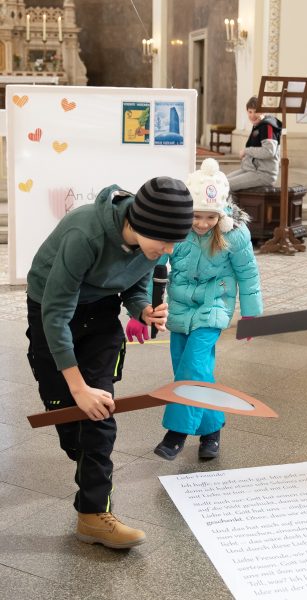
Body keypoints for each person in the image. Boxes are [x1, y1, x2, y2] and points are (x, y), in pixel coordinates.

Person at [26, 177, 193, 549]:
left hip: (101, 315)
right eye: (163, 242)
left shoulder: (154, 245)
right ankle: (85, 456)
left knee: (99, 417)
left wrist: (143, 308)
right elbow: (56, 314)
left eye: (173, 243)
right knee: (67, 415)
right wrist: (77, 387)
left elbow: (136, 282)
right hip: (50, 311)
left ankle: (93, 514)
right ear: (139, 224)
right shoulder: (84, 234)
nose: (167, 250)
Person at [144, 158, 263, 460]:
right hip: (182, 306)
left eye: (210, 217)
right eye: (196, 216)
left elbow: (248, 275)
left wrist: (251, 316)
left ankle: (177, 432)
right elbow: (153, 267)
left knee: (194, 366)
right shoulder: (176, 231)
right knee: (188, 368)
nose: (201, 223)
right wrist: (145, 306)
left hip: (215, 304)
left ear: (221, 213)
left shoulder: (234, 234)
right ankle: (212, 428)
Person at [227, 95, 281, 192]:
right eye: (250, 112)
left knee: (225, 186)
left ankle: (233, 207)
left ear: (263, 111)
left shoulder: (267, 126)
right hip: (252, 170)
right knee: (222, 181)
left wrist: (246, 151)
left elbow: (269, 152)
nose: (252, 115)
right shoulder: (258, 125)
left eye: (256, 111)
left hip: (264, 174)